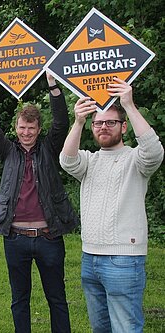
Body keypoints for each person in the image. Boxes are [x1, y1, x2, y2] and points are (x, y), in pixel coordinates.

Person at [0, 67, 79, 333]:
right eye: (22, 127)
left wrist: (53, 86)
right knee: (19, 299)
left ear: (38, 129)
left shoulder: (48, 149)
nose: (26, 132)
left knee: (57, 298)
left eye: (31, 128)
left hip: (49, 238)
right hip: (16, 239)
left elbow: (61, 124)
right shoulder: (7, 152)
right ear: (16, 128)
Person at [60, 78, 164, 332]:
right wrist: (79, 121)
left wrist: (128, 104)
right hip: (90, 258)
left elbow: (154, 152)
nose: (103, 127)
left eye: (110, 122)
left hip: (124, 261)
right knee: (100, 328)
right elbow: (67, 160)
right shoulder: (89, 161)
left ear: (123, 127)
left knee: (126, 329)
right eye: (98, 123)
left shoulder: (136, 160)